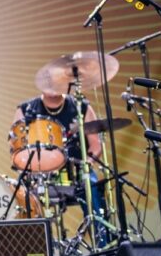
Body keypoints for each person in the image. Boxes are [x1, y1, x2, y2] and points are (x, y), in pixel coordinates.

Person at [12, 92, 108, 244]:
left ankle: (103, 246)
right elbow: (18, 150)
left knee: (92, 187)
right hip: (40, 175)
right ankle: (34, 250)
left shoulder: (81, 106)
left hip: (76, 171)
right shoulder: (25, 109)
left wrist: (87, 163)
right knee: (22, 196)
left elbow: (96, 145)